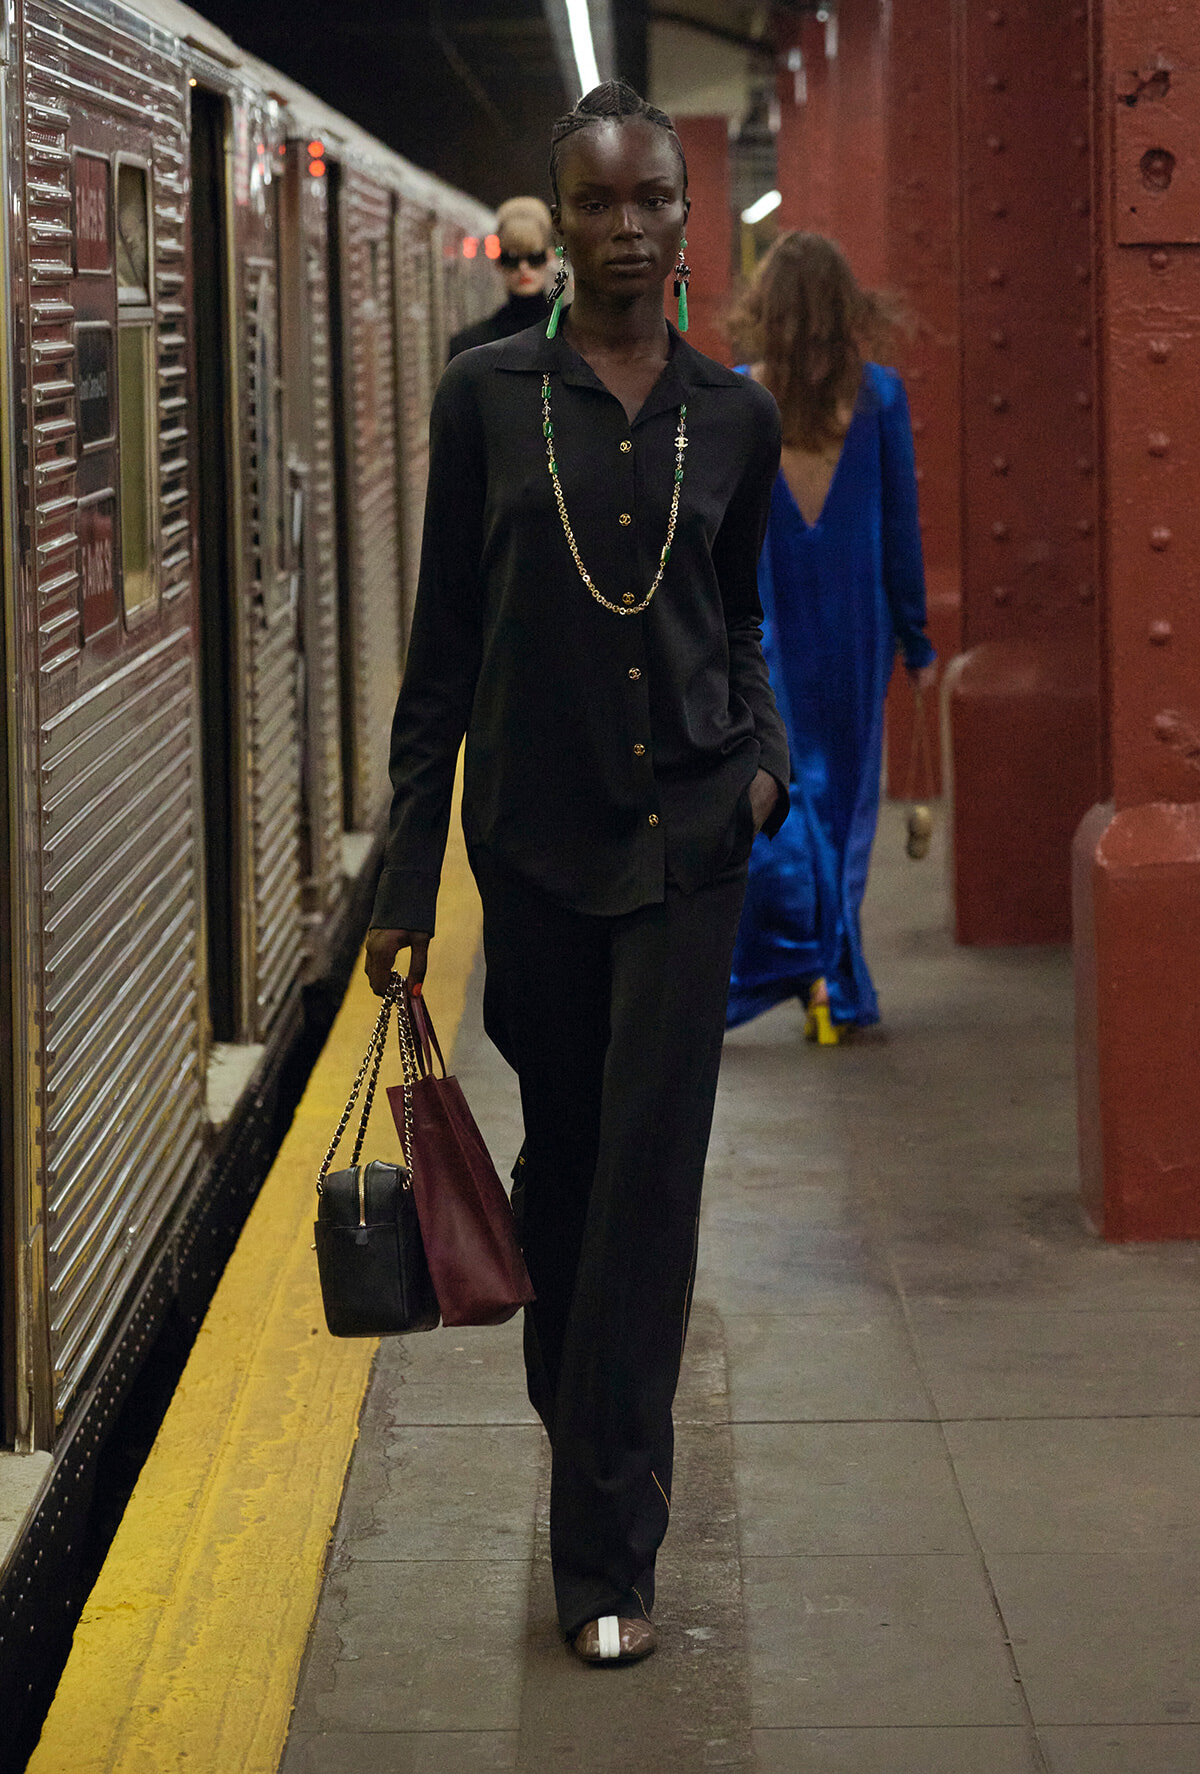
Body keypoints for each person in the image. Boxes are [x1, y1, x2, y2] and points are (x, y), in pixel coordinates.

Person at [366, 80, 787, 1666]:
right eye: (596, 204)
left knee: (646, 1203)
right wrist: (409, 883)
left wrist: (762, 767)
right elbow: (441, 661)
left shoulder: (730, 416)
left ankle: (608, 1553)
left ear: (688, 221)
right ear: (557, 220)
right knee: (563, 1174)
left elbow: (738, 623)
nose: (625, 231)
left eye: (651, 203)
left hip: (689, 851)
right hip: (532, 856)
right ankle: (581, 1407)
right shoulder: (485, 402)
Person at [725, 232, 937, 1041]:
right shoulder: (881, 397)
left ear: (766, 312)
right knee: (846, 807)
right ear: (850, 308)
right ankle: (833, 976)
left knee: (790, 796)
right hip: (857, 632)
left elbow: (727, 537)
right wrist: (916, 643)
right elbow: (900, 536)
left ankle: (812, 969)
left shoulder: (743, 400)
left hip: (772, 631)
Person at [448, 195, 554, 357]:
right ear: (498, 263)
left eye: (533, 258)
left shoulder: (471, 346)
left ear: (549, 258)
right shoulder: (470, 347)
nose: (523, 268)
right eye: (512, 260)